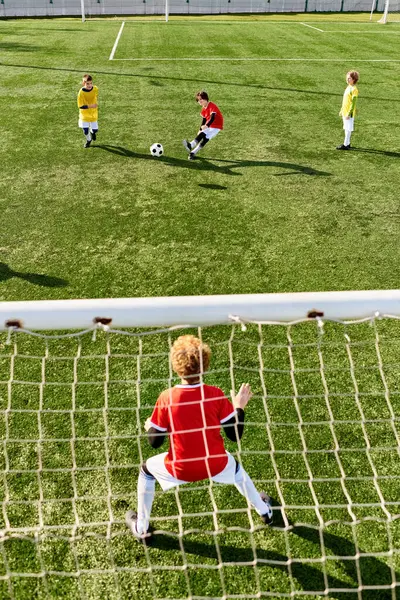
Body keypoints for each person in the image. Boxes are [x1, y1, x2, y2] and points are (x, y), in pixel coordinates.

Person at [126, 334, 273, 542]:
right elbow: (234, 436)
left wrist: (151, 426)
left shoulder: (167, 397)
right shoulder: (215, 394)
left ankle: (142, 528)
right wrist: (239, 406)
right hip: (216, 464)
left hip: (180, 469)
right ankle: (265, 512)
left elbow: (154, 442)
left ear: (175, 366)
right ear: (205, 367)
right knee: (237, 470)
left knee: (146, 471)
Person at [183, 91, 224, 160]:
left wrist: (207, 126)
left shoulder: (212, 105)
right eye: (198, 100)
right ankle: (192, 152)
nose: (199, 101)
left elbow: (212, 117)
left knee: (204, 137)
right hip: (211, 125)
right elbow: (204, 120)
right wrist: (200, 129)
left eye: (201, 99)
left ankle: (191, 145)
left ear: (206, 98)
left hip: (217, 126)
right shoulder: (203, 109)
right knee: (204, 137)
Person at [337, 71, 359, 150]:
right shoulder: (348, 87)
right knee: (346, 127)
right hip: (345, 111)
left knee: (348, 128)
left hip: (348, 113)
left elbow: (353, 103)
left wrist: (349, 113)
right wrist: (342, 110)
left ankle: (345, 144)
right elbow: (345, 100)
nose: (347, 79)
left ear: (354, 79)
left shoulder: (354, 89)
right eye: (347, 77)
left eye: (349, 78)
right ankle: (348, 143)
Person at [77, 74, 99, 148]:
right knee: (85, 130)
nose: (90, 85)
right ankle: (88, 140)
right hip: (84, 115)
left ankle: (92, 133)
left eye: (91, 83)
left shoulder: (95, 89)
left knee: (95, 130)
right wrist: (91, 106)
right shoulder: (81, 93)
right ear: (83, 83)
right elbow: (80, 106)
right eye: (87, 83)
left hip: (93, 114)